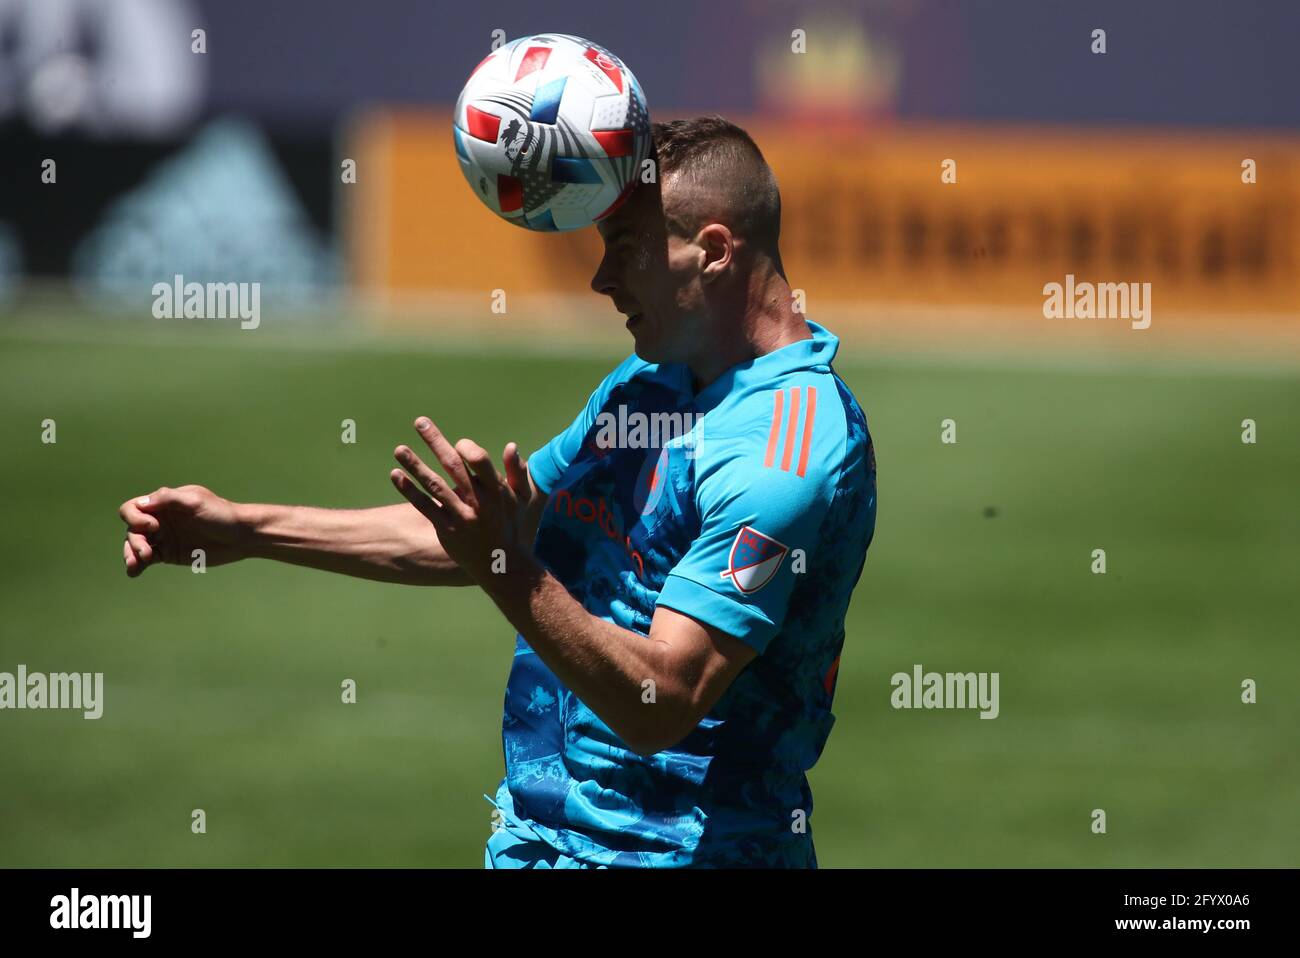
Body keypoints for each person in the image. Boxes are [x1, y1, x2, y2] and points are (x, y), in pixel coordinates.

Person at [118, 115, 878, 868]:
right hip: (538, 844)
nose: (601, 278)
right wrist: (246, 529)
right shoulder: (648, 388)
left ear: (712, 251)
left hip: (682, 858)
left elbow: (664, 698)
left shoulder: (789, 453)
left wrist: (508, 568)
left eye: (626, 249)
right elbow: (479, 536)